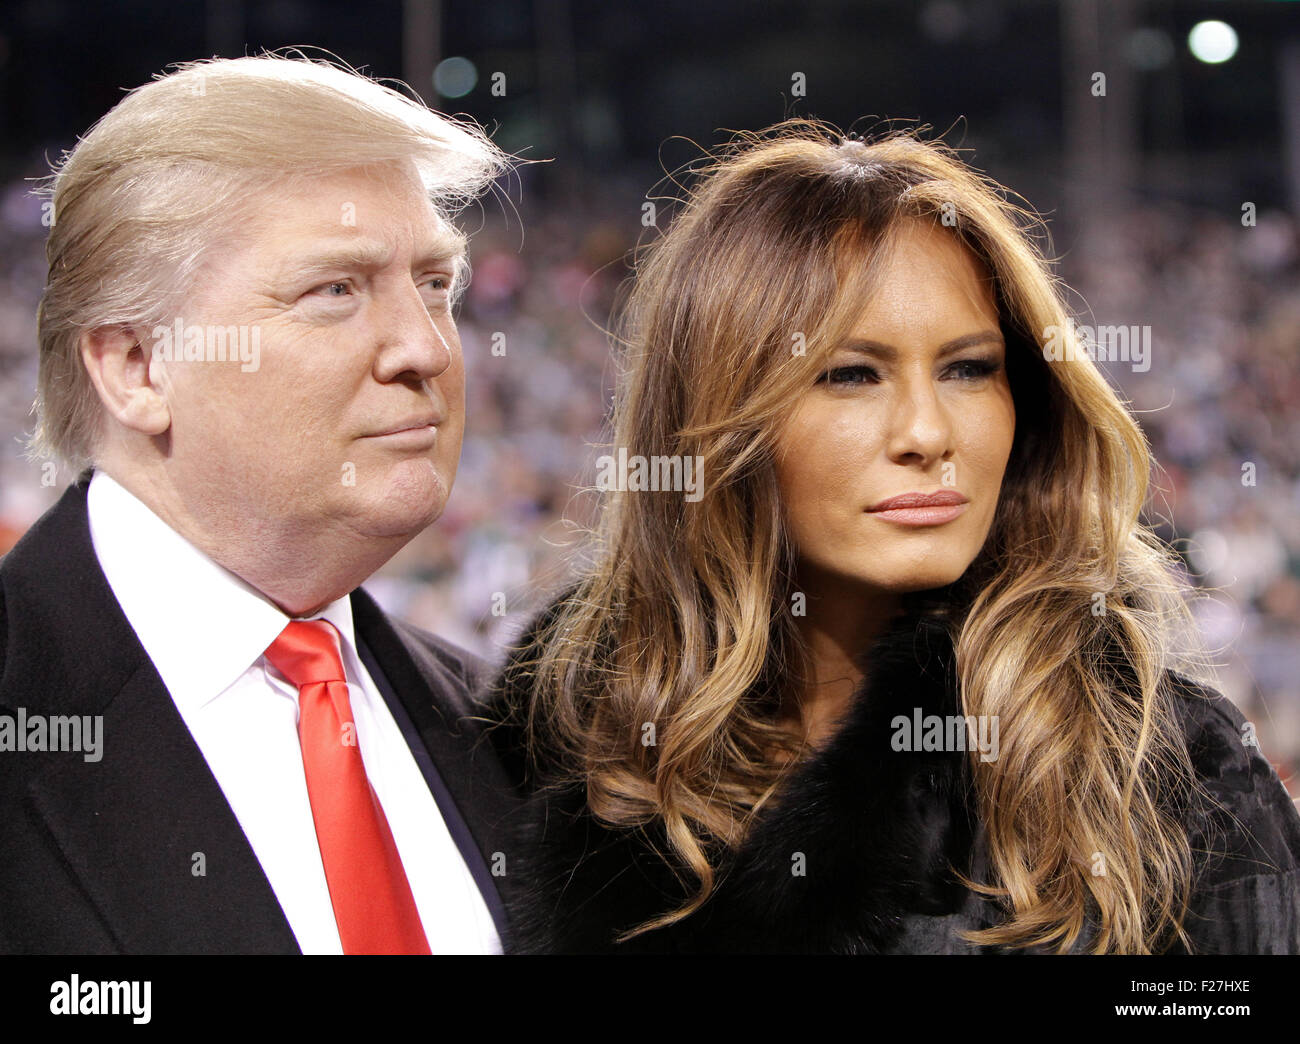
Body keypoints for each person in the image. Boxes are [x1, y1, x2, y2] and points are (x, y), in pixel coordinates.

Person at [486, 121, 1300, 954]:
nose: (926, 432)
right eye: (850, 374)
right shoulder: (553, 746)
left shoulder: (1171, 772)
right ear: (714, 423)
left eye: (969, 368)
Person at [0, 54, 520, 954]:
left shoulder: (505, 731)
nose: (426, 349)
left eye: (435, 285)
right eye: (336, 291)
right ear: (136, 367)